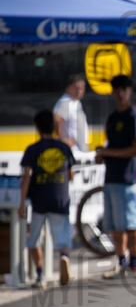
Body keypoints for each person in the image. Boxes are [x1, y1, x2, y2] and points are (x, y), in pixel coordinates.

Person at [96, 75, 136, 279]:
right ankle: (121, 264)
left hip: (129, 179)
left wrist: (109, 153)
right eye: (116, 89)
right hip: (111, 177)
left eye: (123, 88)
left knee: (132, 224)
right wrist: (102, 154)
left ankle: (134, 265)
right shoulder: (113, 117)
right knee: (115, 226)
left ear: (130, 90)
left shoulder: (135, 116)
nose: (120, 93)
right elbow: (113, 147)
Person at [19, 108, 75, 289]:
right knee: (62, 236)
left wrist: (21, 203)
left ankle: (40, 275)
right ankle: (64, 256)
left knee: (34, 238)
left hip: (39, 200)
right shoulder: (64, 147)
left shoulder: (32, 149)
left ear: (37, 127)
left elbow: (27, 177)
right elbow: (71, 174)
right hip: (60, 198)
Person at [53, 74, 89, 154]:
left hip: (79, 151)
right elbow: (56, 119)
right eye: (77, 88)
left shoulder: (75, 101)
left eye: (82, 87)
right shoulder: (66, 102)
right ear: (68, 87)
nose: (80, 90)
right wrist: (62, 139)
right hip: (73, 152)